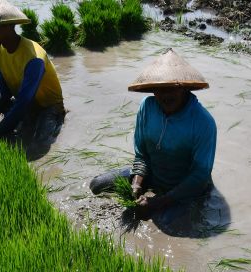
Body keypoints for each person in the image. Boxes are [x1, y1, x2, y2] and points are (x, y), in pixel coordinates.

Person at [89, 49, 217, 220]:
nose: (166, 95)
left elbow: (199, 177)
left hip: (187, 187)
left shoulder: (203, 122)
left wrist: (159, 202)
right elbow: (141, 154)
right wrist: (136, 184)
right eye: (160, 89)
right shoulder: (147, 107)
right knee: (97, 185)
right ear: (152, 89)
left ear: (185, 88)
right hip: (154, 175)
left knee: (172, 223)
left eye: (172, 88)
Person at [0, 0, 65, 150]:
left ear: (9, 26)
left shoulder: (33, 59)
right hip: (22, 103)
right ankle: (22, 120)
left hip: (47, 108)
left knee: (40, 142)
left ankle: (31, 120)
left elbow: (23, 102)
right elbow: (3, 91)